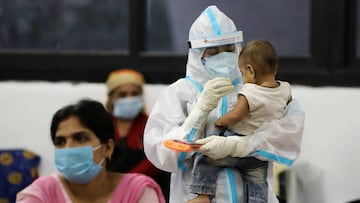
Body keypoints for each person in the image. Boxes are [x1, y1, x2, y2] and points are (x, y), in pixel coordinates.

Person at [143, 5, 305, 203]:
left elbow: (289, 134)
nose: (223, 56)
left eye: (229, 49)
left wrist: (242, 145)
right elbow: (163, 153)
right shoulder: (180, 93)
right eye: (213, 51)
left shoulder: (257, 88)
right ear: (197, 54)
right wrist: (199, 113)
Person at [189, 40, 292, 203]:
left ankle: (203, 195)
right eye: (213, 51)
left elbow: (236, 115)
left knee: (206, 156)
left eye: (243, 73)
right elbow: (287, 113)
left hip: (235, 144)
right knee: (258, 184)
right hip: (258, 154)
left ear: (250, 70)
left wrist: (221, 121)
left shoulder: (249, 92)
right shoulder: (285, 89)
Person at [16, 99, 166, 203]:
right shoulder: (41, 193)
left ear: (108, 147)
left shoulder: (137, 191)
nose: (68, 148)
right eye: (60, 142)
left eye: (80, 138)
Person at [105, 69, 170, 200]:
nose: (129, 99)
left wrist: (127, 183)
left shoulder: (152, 124)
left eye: (134, 94)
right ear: (112, 99)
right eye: (123, 95)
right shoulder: (102, 125)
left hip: (146, 191)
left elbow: (155, 160)